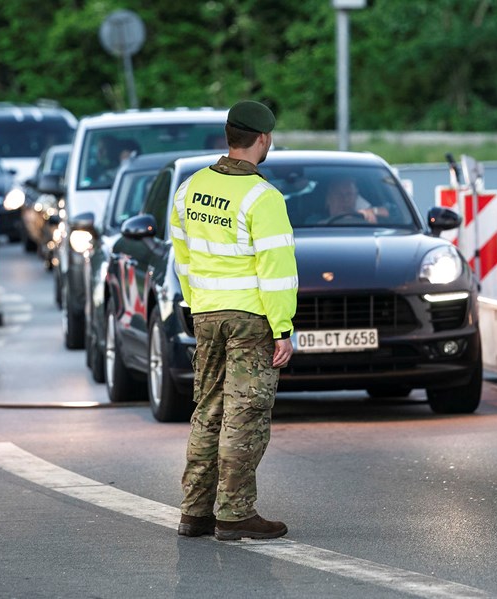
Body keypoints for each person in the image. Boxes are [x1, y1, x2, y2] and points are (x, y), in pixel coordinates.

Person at [171, 100, 298, 541]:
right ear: (263, 139)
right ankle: (234, 514)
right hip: (250, 319)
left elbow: (182, 258)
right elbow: (277, 271)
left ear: (229, 136)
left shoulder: (189, 189)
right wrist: (282, 328)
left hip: (206, 314)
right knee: (244, 414)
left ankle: (195, 512)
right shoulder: (263, 197)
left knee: (207, 411)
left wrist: (195, 305)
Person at [312, 177, 384, 224]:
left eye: (349, 194)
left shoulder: (364, 216)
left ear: (356, 198)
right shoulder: (313, 221)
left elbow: (392, 211)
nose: (345, 199)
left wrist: (373, 211)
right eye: (338, 194)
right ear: (328, 199)